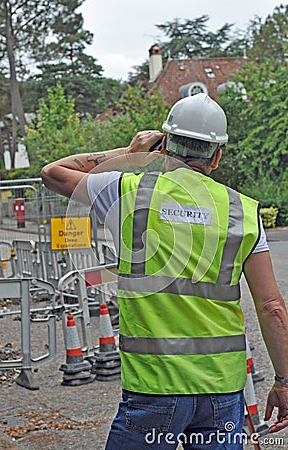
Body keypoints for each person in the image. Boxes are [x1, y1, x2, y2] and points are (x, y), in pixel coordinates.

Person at [41, 93, 288, 450]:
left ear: (165, 144)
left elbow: (52, 173)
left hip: (153, 387)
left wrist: (129, 154)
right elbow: (272, 307)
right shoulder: (243, 211)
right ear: (217, 156)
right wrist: (283, 380)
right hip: (221, 389)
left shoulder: (125, 190)